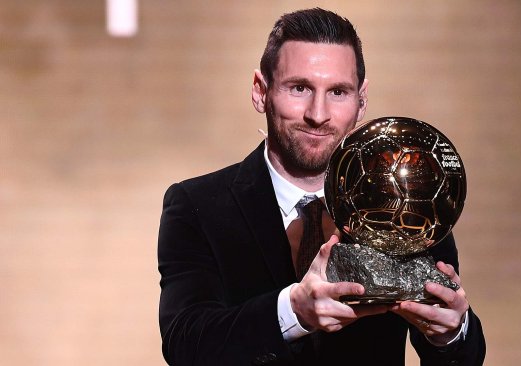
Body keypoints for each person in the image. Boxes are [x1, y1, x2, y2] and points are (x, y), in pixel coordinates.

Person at [157, 8, 485, 366]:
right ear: (260, 91)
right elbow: (185, 344)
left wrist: (452, 333)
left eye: (338, 92)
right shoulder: (197, 205)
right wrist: (293, 312)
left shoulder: (410, 205)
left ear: (361, 101)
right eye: (299, 88)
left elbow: (460, 358)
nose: (318, 113)